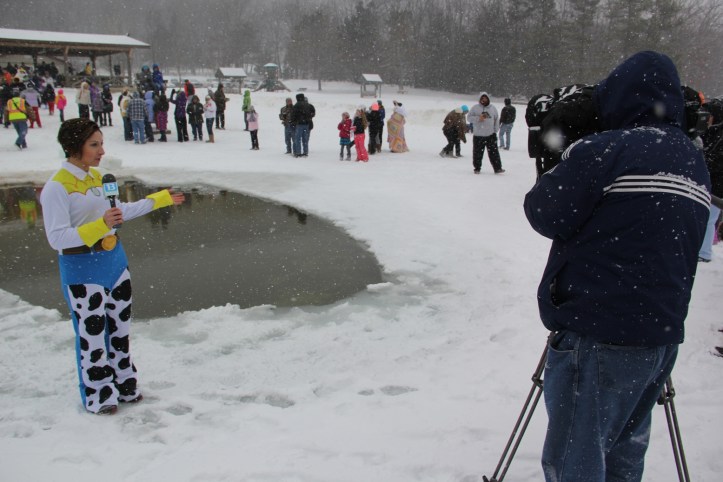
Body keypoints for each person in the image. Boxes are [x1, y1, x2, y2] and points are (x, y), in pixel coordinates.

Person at [523, 51, 711, 482]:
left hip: (599, 331)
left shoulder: (606, 149)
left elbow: (542, 211)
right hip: (660, 335)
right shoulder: (692, 161)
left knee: (577, 460)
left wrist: (570, 150)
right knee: (623, 454)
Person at [39, 118, 185, 415]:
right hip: (82, 270)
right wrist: (100, 225)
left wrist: (159, 200)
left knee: (120, 331)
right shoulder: (56, 187)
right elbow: (57, 238)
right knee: (92, 336)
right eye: (94, 145)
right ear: (74, 146)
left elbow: (119, 212)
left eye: (102, 144)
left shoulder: (99, 178)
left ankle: (124, 383)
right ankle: (98, 393)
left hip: (115, 264)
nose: (102, 151)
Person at [699, 100, 723, 262]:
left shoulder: (717, 135)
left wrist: (703, 163)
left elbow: (715, 161)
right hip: (711, 183)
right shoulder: (711, 132)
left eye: (709, 115)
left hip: (717, 185)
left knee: (708, 218)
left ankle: (704, 253)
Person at [468, 92, 503, 174]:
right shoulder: (475, 108)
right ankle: (477, 168)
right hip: (478, 135)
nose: (484, 100)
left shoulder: (492, 108)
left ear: (488, 99)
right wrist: (478, 118)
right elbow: (469, 118)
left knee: (494, 153)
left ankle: (497, 168)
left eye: (485, 98)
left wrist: (495, 130)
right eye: (482, 98)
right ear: (479, 99)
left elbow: (496, 119)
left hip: (491, 135)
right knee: (477, 153)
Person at [291, 93, 314, 157]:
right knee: (305, 139)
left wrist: (293, 122)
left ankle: (298, 152)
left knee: (297, 139)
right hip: (307, 124)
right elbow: (312, 113)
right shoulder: (308, 105)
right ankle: (305, 152)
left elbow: (293, 115)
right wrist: (308, 119)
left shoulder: (296, 105)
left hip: (299, 124)